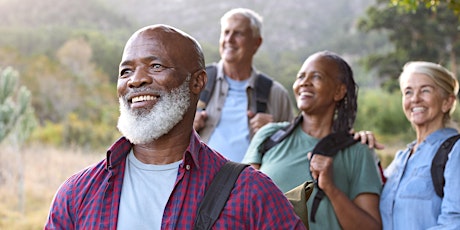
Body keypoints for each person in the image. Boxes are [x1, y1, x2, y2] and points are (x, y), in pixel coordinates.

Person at [44, 24, 306, 229]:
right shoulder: (77, 193)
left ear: (197, 82)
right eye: (125, 71)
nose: (135, 81)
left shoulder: (251, 192)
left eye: (156, 66)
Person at [243, 51, 383, 230]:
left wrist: (330, 188)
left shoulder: (358, 151)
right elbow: (241, 201)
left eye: (316, 76)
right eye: (300, 76)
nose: (304, 82)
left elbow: (372, 227)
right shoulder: (270, 136)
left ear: (339, 91)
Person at [193, 8, 294, 162]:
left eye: (238, 33)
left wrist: (274, 133)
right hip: (199, 182)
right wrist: (186, 126)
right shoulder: (197, 82)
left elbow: (290, 152)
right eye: (226, 32)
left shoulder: (276, 94)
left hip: (250, 184)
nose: (229, 39)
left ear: (256, 42)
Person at [379, 61, 460, 229]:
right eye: (408, 92)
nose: (415, 99)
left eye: (425, 90)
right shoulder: (401, 158)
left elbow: (454, 223)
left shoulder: (455, 151)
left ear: (447, 102)